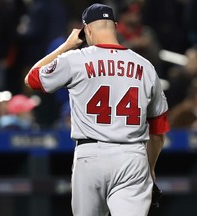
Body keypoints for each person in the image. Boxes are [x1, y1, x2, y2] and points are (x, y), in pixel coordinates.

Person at [24, 3, 169, 216]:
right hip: (132, 156)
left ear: (87, 29)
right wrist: (150, 167)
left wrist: (66, 46)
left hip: (90, 155)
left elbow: (32, 79)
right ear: (116, 27)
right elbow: (158, 129)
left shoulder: (75, 59)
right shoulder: (145, 66)